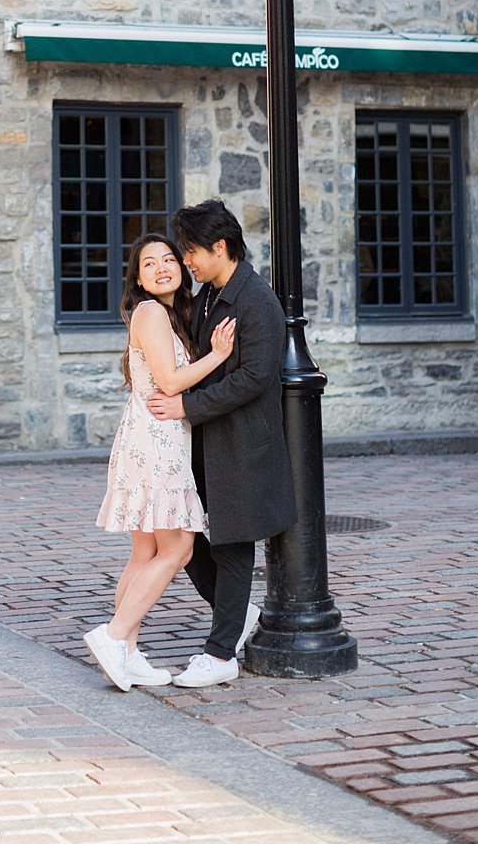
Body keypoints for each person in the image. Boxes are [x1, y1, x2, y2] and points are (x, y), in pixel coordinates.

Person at [144, 198, 297, 688]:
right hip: (208, 441)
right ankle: (237, 618)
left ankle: (221, 653)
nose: (185, 260)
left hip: (241, 445)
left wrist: (188, 407)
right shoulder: (211, 292)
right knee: (188, 539)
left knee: (231, 546)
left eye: (190, 251)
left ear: (220, 247)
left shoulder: (256, 301)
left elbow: (254, 376)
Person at [84, 233, 236, 692]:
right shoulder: (151, 313)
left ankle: (127, 652)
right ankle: (112, 637)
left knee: (146, 551)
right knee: (178, 549)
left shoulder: (166, 316)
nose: (162, 267)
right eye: (149, 264)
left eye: (169, 259)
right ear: (138, 278)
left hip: (150, 436)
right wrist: (219, 355)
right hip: (156, 441)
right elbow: (169, 382)